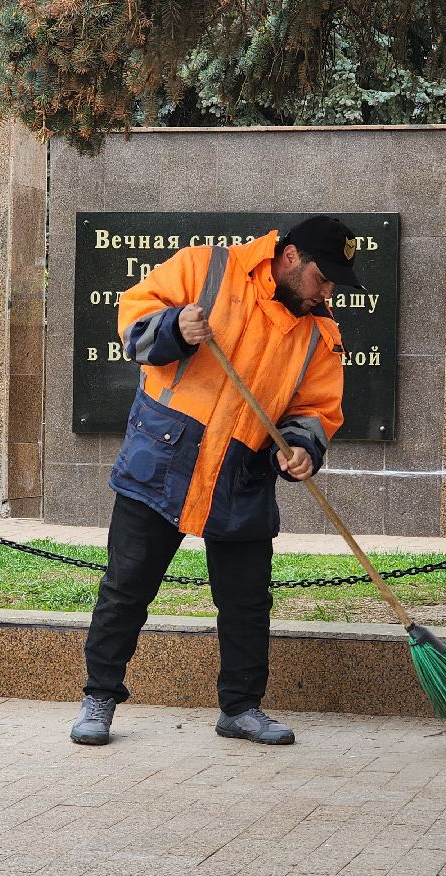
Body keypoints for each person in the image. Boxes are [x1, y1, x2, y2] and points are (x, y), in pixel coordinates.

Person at [70, 215, 362, 747]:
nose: (327, 291)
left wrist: (302, 447)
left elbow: (318, 408)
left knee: (247, 600)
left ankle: (242, 708)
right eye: (324, 276)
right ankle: (99, 698)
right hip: (162, 459)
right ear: (291, 258)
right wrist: (174, 328)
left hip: (243, 472)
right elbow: (132, 321)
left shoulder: (321, 334)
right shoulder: (206, 268)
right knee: (127, 586)